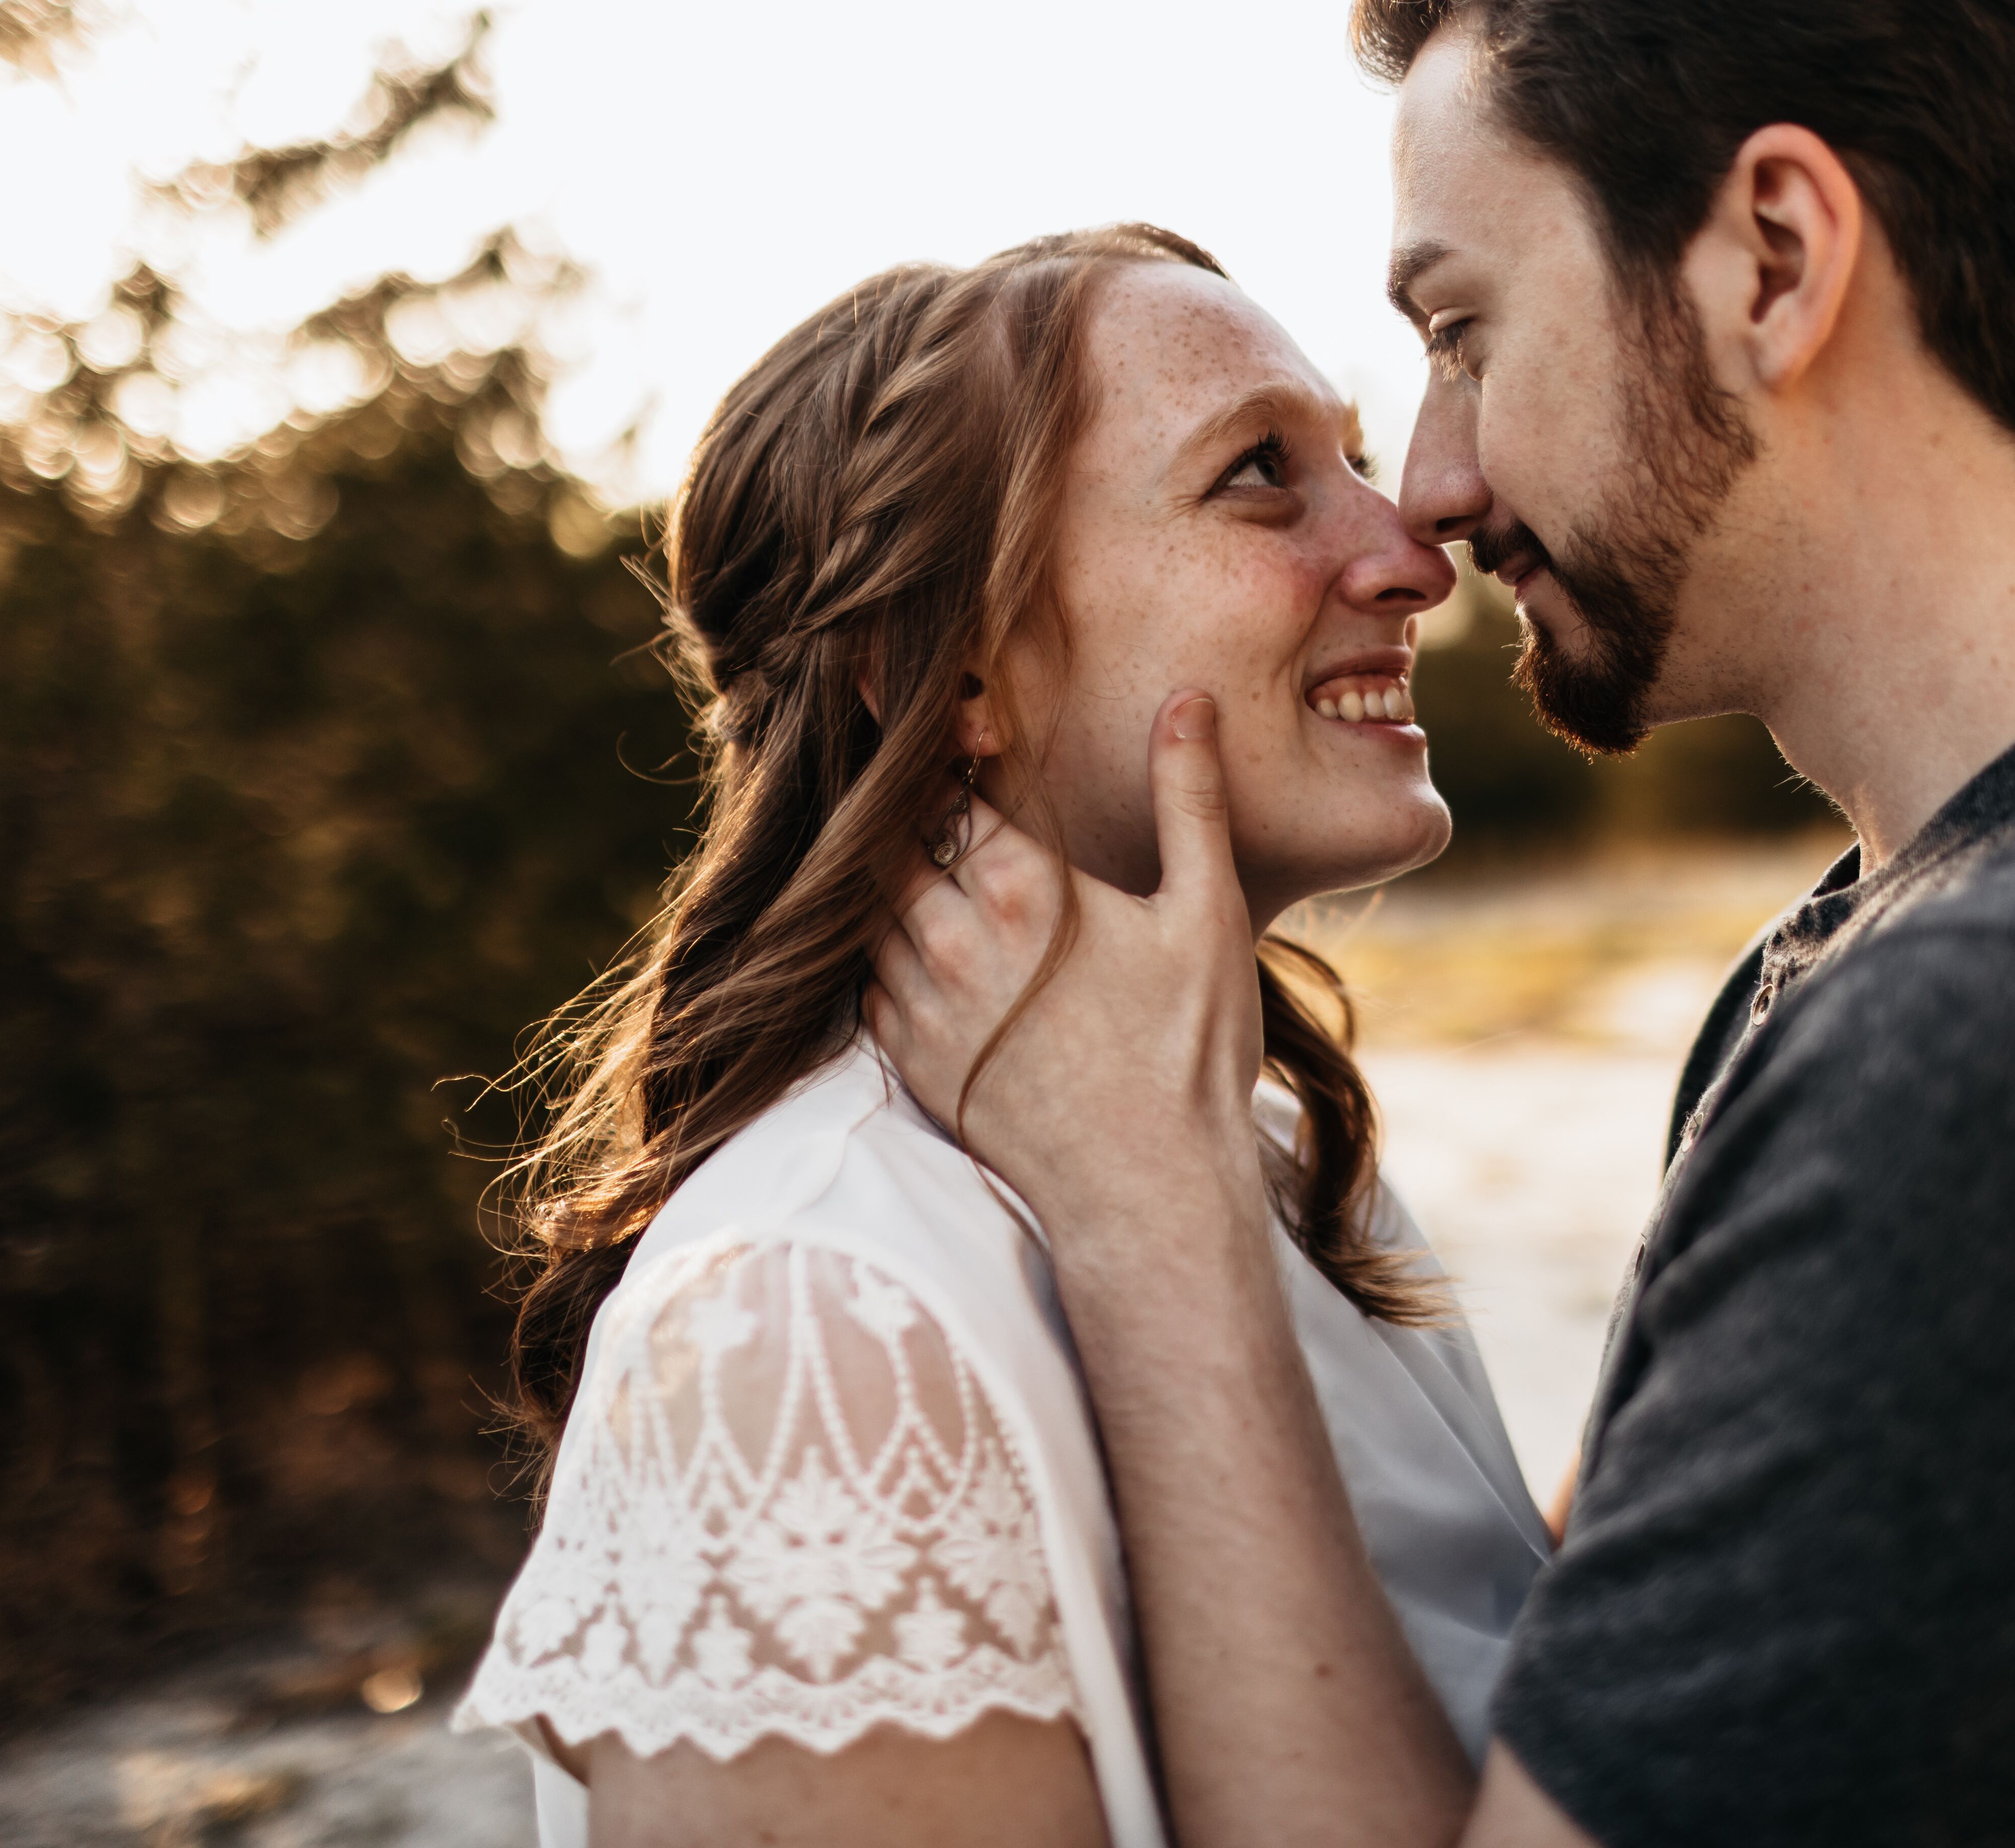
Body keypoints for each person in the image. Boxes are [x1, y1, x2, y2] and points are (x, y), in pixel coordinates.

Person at [866, 4, 2015, 1845]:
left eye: (1463, 331)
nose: (1433, 488)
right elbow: (1577, 1690)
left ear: (1776, 260)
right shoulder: (1934, 939)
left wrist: (1149, 1215)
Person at [450, 224, 1553, 1846]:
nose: (1410, 551)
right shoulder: (819, 1329)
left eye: (1358, 462)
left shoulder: (1292, 1173)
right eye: (1261, 473)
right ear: (950, 668)